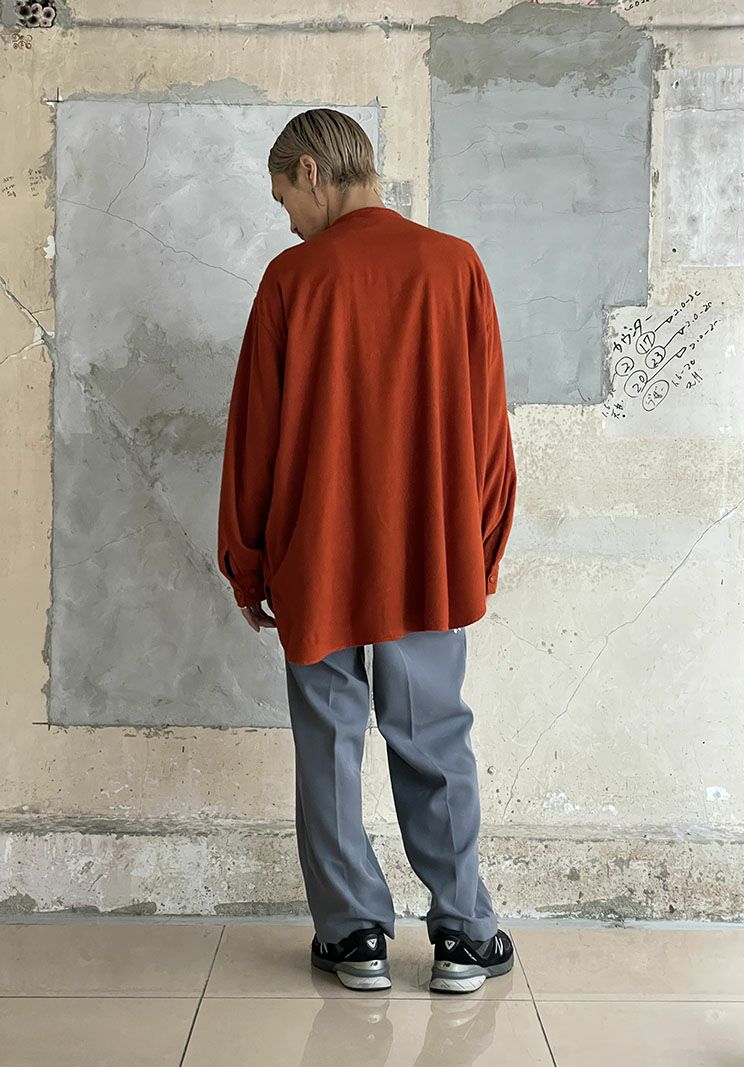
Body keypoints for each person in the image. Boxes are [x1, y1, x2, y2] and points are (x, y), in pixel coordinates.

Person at [217, 107, 517, 994]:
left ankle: (353, 937)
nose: (289, 222)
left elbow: (254, 438)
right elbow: (487, 429)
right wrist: (480, 547)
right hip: (429, 548)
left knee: (328, 741)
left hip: (317, 554)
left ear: (312, 172)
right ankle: (463, 936)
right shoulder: (455, 265)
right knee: (435, 737)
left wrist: (246, 561)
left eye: (285, 198)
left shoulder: (293, 279)